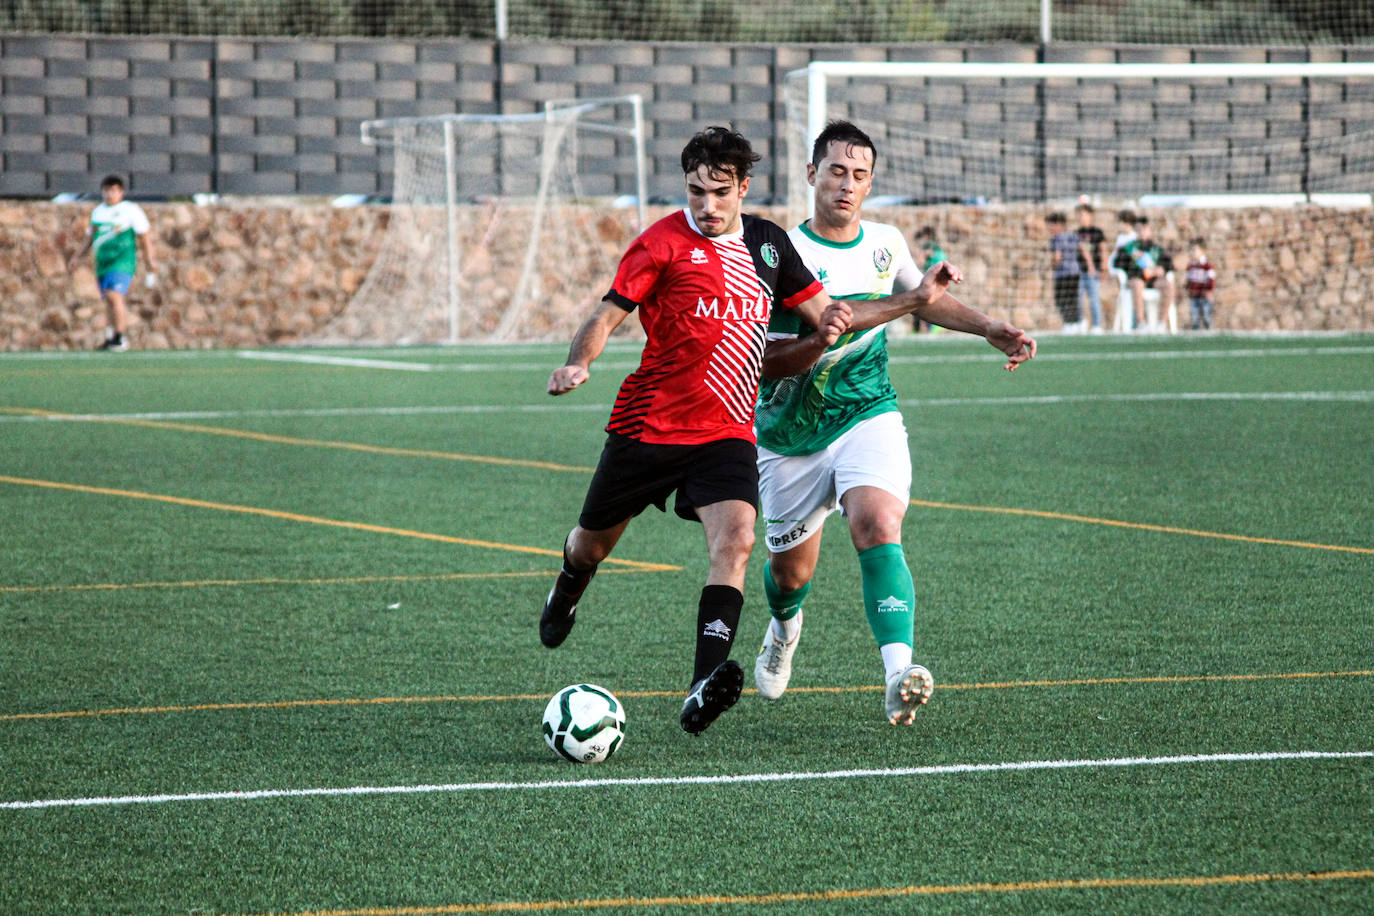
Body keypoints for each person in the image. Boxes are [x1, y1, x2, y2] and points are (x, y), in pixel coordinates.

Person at [538, 125, 964, 736]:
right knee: (589, 545)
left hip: (728, 429)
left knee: (736, 540)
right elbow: (606, 314)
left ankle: (700, 688)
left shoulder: (768, 245)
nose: (706, 206)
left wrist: (891, 309)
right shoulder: (659, 243)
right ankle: (568, 587)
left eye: (718, 192)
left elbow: (824, 325)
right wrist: (581, 361)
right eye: (694, 192)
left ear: (743, 187)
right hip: (649, 426)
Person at [751, 120, 1037, 726]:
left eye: (859, 175)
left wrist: (989, 327)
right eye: (835, 171)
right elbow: (768, 364)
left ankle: (898, 672)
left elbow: (925, 297)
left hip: (867, 412)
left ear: (871, 182)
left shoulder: (884, 242)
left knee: (878, 523)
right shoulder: (781, 254)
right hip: (790, 436)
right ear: (811, 175)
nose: (846, 185)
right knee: (787, 575)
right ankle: (783, 627)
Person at [66, 174, 158, 351]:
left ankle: (120, 337)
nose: (110, 194)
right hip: (103, 263)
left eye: (114, 191)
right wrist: (77, 256)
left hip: (122, 261)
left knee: (114, 295)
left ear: (121, 192)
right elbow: (90, 237)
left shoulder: (130, 210)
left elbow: (144, 236)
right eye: (107, 191)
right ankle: (111, 336)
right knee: (108, 299)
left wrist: (150, 260)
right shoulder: (98, 212)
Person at [1113, 216, 1174, 331]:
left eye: (1144, 229)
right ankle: (1141, 323)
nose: (1142, 232)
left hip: (1153, 280)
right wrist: (1131, 258)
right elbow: (1118, 264)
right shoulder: (1129, 248)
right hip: (1136, 278)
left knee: (1169, 285)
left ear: (1150, 230)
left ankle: (1162, 323)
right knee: (1138, 284)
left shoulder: (1157, 248)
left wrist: (1161, 269)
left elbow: (1169, 265)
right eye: (1139, 229)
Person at [1045, 211, 1081, 331]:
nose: (1049, 228)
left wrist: (1051, 266)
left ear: (1058, 224)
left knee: (1062, 298)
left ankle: (1069, 323)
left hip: (1063, 273)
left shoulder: (1056, 238)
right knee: (1073, 298)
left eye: (1051, 225)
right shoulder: (1073, 235)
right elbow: (1083, 250)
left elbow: (1057, 256)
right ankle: (1076, 323)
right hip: (1075, 272)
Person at [1075, 202, 1107, 333]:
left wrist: (1104, 267)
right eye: (1079, 215)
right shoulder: (1076, 233)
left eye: (1083, 215)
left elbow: (1103, 249)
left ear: (1089, 215)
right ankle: (1080, 322)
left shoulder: (1097, 232)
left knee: (1094, 298)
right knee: (1077, 297)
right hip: (1079, 271)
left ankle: (1096, 325)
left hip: (1093, 271)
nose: (1081, 217)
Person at [910, 226, 946, 333]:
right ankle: (920, 329)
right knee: (926, 302)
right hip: (938, 275)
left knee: (925, 302)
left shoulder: (930, 245)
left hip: (934, 276)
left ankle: (933, 326)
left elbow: (923, 256)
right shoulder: (936, 246)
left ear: (927, 235)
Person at [1184, 236, 1216, 330]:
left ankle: (1208, 329)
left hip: (1204, 295)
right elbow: (1189, 279)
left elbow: (1211, 279)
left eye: (1194, 250)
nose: (1192, 253)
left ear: (1202, 251)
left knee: (1206, 314)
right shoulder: (1191, 266)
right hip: (1195, 295)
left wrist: (1209, 290)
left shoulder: (1207, 266)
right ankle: (1196, 330)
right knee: (1194, 314)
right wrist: (1188, 288)